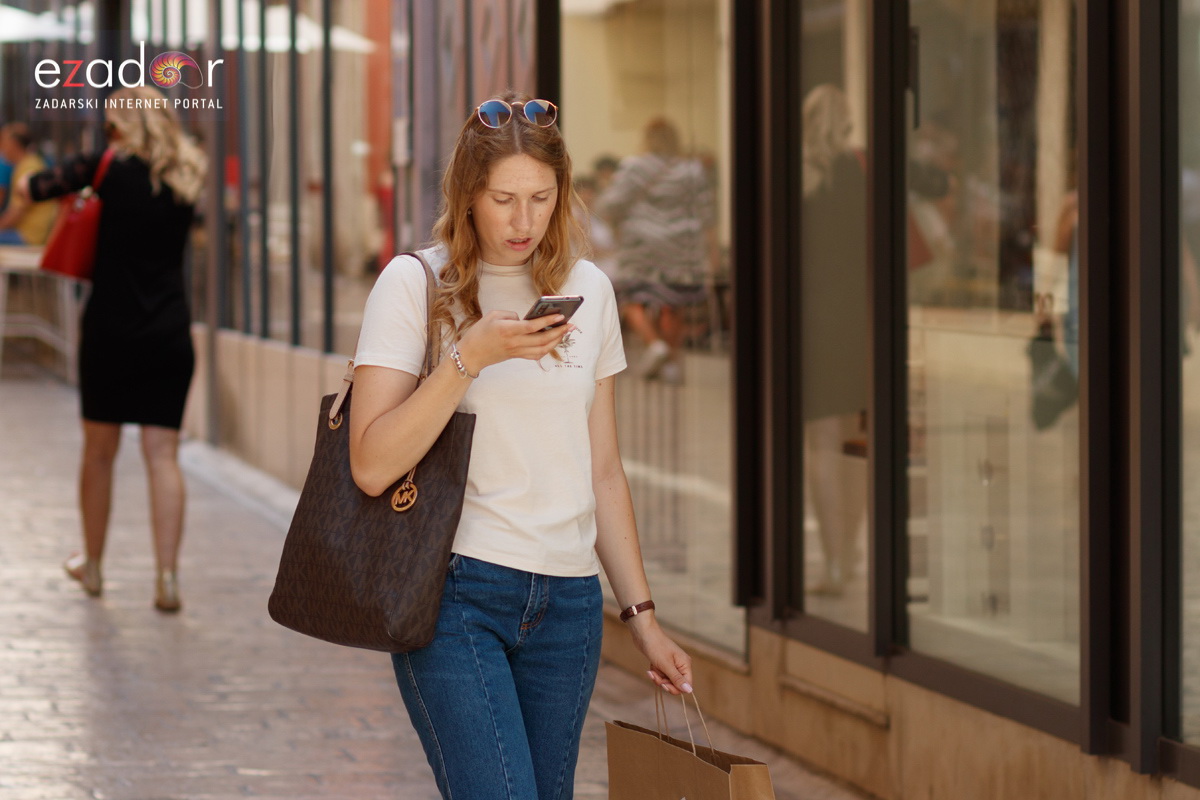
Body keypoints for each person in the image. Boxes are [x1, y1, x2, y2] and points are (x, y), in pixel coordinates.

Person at [348, 91, 693, 800]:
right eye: (503, 198)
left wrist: (644, 620)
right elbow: (371, 463)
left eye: (541, 198)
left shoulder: (589, 291)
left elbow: (602, 471)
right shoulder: (415, 286)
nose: (523, 220)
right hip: (452, 596)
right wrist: (467, 359)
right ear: (468, 195)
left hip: (568, 606)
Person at [17, 87, 206, 611]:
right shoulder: (185, 177)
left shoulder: (101, 166)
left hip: (110, 332)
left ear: (120, 126)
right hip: (169, 333)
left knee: (98, 455)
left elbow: (32, 185)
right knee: (163, 456)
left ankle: (94, 567)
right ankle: (167, 578)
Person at [799, 84, 869, 595]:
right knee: (854, 443)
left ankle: (834, 564)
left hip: (810, 323)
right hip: (858, 322)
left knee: (822, 444)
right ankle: (850, 551)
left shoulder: (797, 178)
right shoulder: (861, 173)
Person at [597, 118, 717, 384]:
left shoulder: (634, 167)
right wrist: (712, 253)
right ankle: (671, 362)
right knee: (674, 304)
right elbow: (706, 213)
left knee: (633, 299)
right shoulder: (692, 170)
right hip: (680, 247)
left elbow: (611, 205)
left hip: (642, 246)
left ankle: (655, 346)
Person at [0, 123, 57, 245]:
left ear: (14, 144)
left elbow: (17, 212)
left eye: (4, 141)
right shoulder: (27, 163)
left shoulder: (28, 167)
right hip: (26, 232)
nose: (2, 146)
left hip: (29, 236)